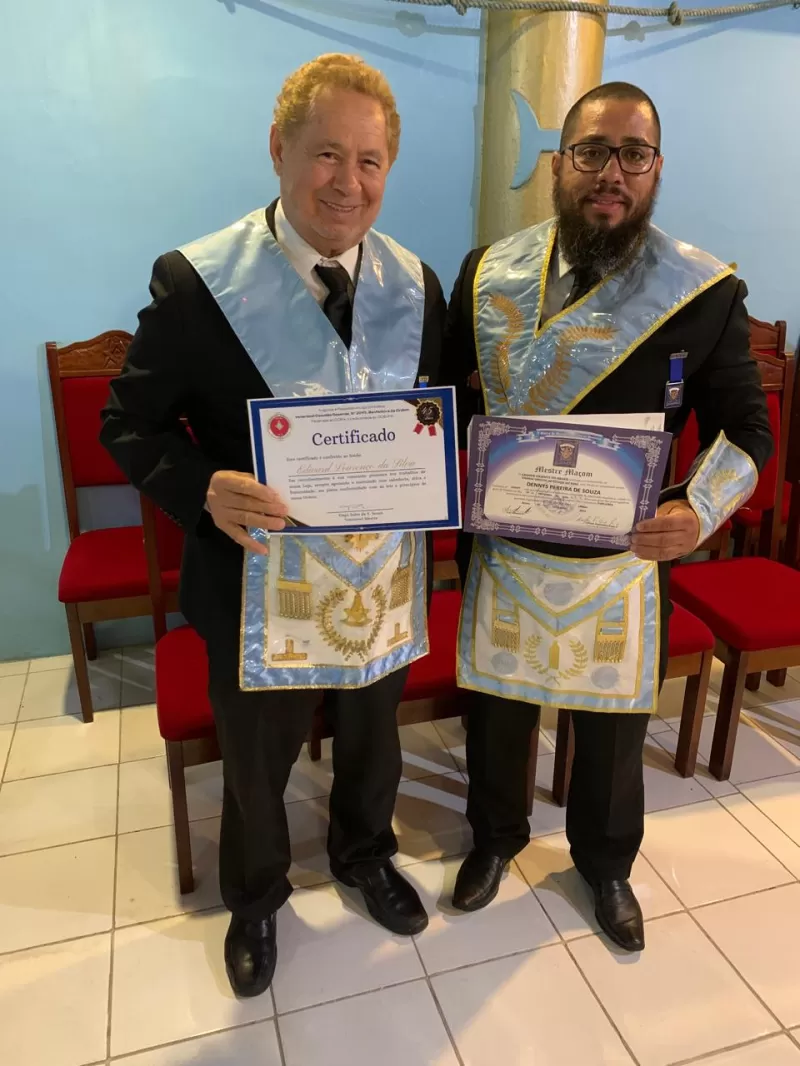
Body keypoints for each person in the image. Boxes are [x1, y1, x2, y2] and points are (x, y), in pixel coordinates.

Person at [101, 54, 446, 997]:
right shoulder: (198, 282)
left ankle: (364, 854)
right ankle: (254, 896)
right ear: (278, 148)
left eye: (370, 161)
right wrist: (202, 487)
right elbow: (126, 424)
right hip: (255, 579)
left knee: (374, 736)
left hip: (378, 578)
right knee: (257, 759)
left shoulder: (416, 283)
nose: (348, 183)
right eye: (326, 153)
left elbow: (433, 415)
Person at [444, 82, 772, 952]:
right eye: (592, 151)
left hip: (622, 561)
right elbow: (444, 402)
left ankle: (605, 863)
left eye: (633, 154)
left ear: (657, 169)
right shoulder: (485, 273)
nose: (611, 173)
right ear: (560, 164)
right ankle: (494, 838)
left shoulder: (702, 292)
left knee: (614, 733)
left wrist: (695, 511)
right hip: (506, 550)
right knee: (496, 715)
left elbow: (748, 430)